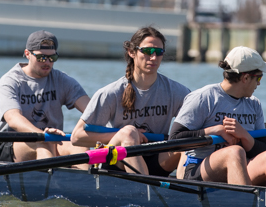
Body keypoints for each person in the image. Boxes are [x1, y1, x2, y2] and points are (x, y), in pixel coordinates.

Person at [71, 27, 190, 177]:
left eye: (159, 52)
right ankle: (145, 191)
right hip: (117, 161)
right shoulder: (110, 93)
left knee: (189, 141)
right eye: (147, 51)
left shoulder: (176, 91)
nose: (153, 58)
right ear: (132, 52)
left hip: (155, 158)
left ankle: (190, 191)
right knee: (129, 132)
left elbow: (199, 122)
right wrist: (122, 134)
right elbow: (77, 137)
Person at [169, 46, 266, 186]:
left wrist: (244, 135)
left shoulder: (254, 104)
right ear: (245, 77)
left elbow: (263, 149)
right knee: (234, 152)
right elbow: (174, 139)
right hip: (200, 171)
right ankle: (244, 203)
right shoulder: (203, 98)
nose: (259, 83)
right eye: (258, 77)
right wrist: (214, 131)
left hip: (240, 167)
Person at [0, 30, 90, 163]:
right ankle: (49, 181)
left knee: (80, 146)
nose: (48, 63)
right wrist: (42, 135)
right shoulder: (10, 81)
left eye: (52, 58)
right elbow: (13, 118)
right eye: (42, 57)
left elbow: (91, 111)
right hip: (10, 145)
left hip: (51, 140)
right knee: (44, 143)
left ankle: (85, 183)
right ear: (27, 54)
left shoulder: (62, 80)